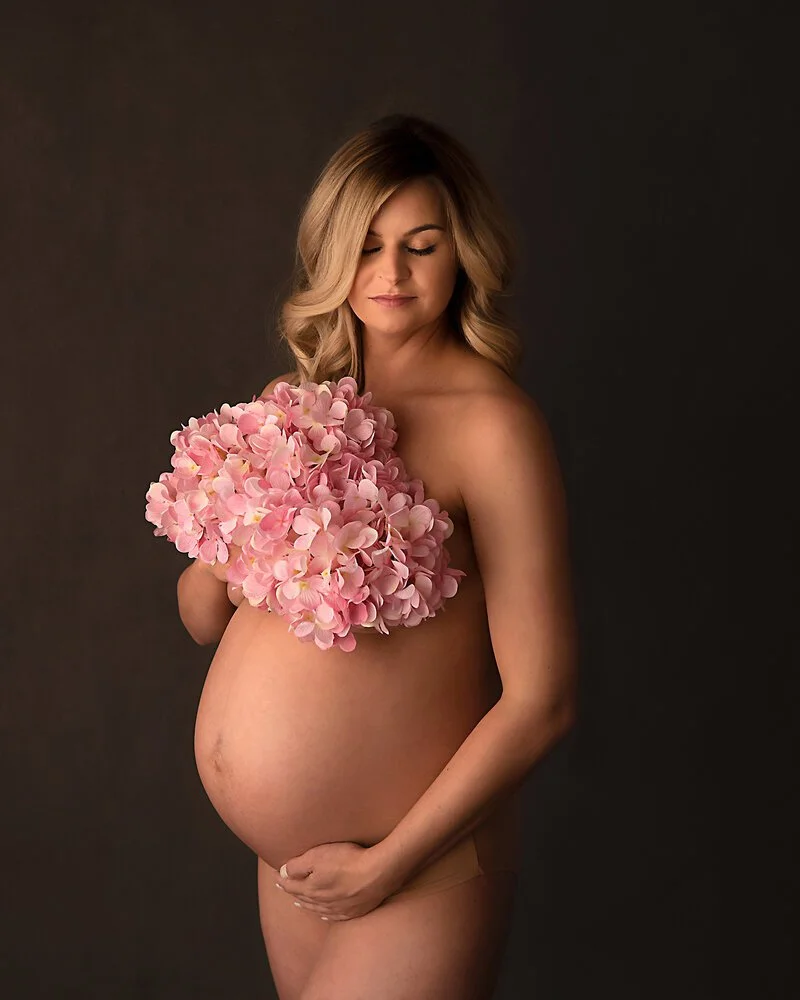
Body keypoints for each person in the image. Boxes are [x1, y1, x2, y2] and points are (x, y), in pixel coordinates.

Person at [176, 113, 577, 1000]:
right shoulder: (296, 406)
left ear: (463, 252)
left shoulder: (494, 428)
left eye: (421, 245)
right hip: (294, 867)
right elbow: (204, 621)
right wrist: (235, 540)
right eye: (365, 245)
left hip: (418, 862)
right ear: (331, 257)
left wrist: (389, 866)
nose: (390, 273)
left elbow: (543, 702)